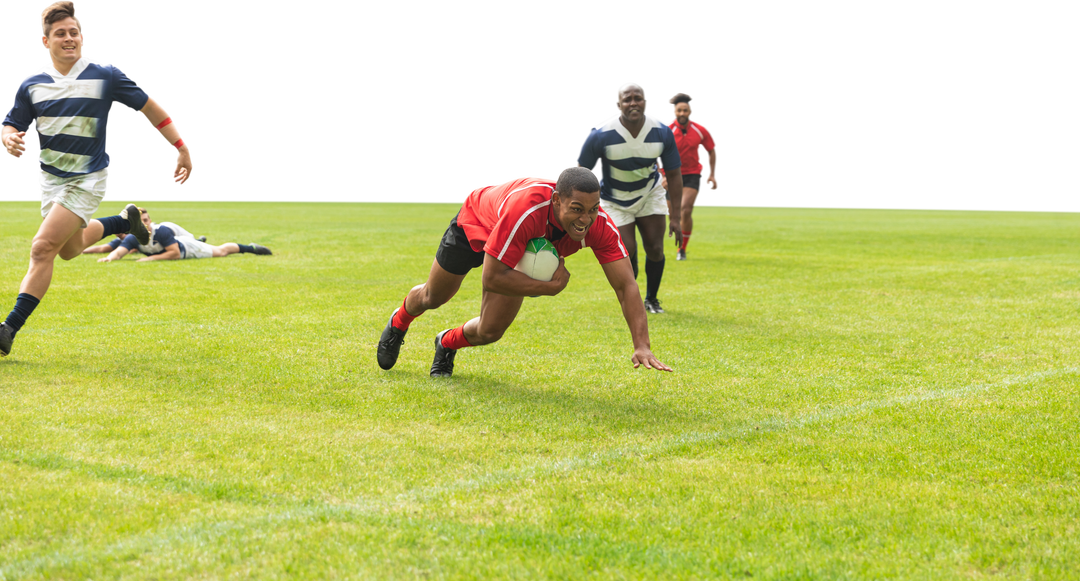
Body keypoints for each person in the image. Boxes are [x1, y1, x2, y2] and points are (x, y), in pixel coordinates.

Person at [0, 1, 195, 357]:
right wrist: (8, 138)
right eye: (60, 34)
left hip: (89, 177)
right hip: (51, 179)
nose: (69, 39)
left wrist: (181, 148)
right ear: (45, 41)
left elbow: (152, 109)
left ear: (83, 37)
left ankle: (7, 329)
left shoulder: (106, 75)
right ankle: (124, 221)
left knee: (42, 248)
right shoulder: (31, 84)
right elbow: (11, 123)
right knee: (70, 250)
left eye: (75, 33)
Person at [377, 165, 673, 378]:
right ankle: (399, 321)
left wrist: (641, 344)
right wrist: (548, 287)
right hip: (478, 221)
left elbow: (626, 286)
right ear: (557, 201)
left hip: (521, 243)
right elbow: (492, 277)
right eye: (577, 209)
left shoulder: (600, 225)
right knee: (434, 296)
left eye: (593, 208)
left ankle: (446, 342)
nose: (586, 219)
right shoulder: (528, 211)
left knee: (490, 331)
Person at [575, 80, 682, 314]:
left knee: (655, 248)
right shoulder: (599, 133)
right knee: (626, 250)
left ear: (647, 102)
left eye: (638, 98)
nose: (633, 103)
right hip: (614, 199)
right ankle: (631, 297)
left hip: (649, 193)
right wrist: (583, 210)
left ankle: (652, 299)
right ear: (617, 104)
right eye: (627, 99)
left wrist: (676, 216)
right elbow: (581, 173)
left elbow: (674, 174)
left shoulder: (662, 130)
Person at [660, 90, 720, 261]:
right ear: (673, 111)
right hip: (671, 175)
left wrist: (712, 175)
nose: (682, 113)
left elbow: (712, 151)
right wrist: (662, 175)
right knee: (674, 216)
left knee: (685, 210)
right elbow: (655, 155)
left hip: (693, 174)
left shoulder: (701, 129)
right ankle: (676, 240)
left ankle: (682, 250)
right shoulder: (665, 130)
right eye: (678, 110)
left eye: (685, 110)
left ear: (691, 111)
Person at [96, 207, 271, 262]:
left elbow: (175, 253)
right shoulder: (134, 237)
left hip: (187, 247)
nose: (145, 224)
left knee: (221, 251)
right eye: (141, 221)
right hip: (176, 244)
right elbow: (119, 250)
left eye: (147, 220)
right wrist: (109, 258)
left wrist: (150, 259)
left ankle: (251, 248)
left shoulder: (161, 231)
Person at [83, 232, 206, 254]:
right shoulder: (122, 241)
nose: (117, 233)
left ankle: (197, 241)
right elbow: (103, 248)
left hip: (169, 243)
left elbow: (134, 249)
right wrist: (83, 250)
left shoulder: (134, 238)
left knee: (181, 242)